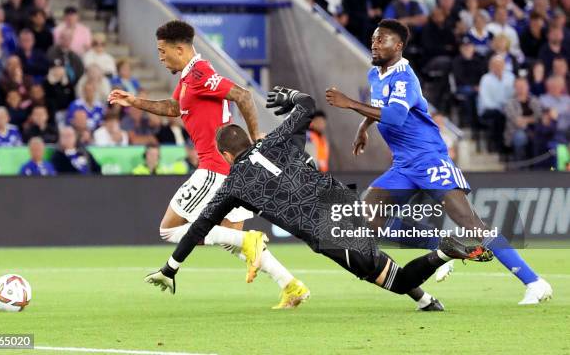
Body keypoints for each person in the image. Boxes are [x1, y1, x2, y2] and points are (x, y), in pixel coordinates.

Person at [145, 87, 493, 310]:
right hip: (345, 204)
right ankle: (427, 301)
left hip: (328, 235)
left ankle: (444, 251)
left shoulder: (234, 184)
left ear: (223, 154)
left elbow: (197, 228)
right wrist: (289, 98)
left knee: (393, 280)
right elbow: (308, 104)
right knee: (375, 256)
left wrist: (170, 267)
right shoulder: (277, 140)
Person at [324, 19, 552, 305]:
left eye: (381, 40)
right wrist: (362, 129)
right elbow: (381, 105)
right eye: (373, 39)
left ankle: (534, 282)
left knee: (471, 224)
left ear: (398, 46)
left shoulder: (405, 77)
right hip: (403, 164)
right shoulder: (376, 74)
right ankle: (436, 251)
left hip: (428, 158)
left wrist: (350, 103)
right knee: (366, 224)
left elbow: (395, 116)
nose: (374, 44)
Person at [108, 19, 306, 309]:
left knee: (169, 229)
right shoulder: (188, 79)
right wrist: (135, 102)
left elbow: (242, 94)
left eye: (162, 51)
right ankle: (291, 285)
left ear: (179, 48)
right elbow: (174, 108)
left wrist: (255, 137)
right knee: (231, 239)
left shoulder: (200, 73)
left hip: (215, 168)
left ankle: (254, 241)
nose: (160, 57)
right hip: (231, 170)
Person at [504, 77, 542, 162]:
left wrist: (525, 120)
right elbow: (517, 121)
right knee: (520, 137)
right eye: (518, 86)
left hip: (535, 129)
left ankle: (538, 166)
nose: (521, 89)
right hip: (516, 131)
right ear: (514, 88)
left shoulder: (534, 100)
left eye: (523, 86)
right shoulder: (509, 103)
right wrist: (532, 119)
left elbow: (539, 117)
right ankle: (520, 165)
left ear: (528, 87)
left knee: (541, 136)